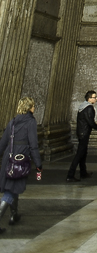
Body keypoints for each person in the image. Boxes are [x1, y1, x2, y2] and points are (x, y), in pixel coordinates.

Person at [0, 96, 42, 232]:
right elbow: (33, 145)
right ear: (30, 108)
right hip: (20, 159)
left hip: (8, 158)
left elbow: (3, 142)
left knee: (13, 187)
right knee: (11, 190)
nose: (34, 108)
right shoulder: (31, 122)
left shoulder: (12, 121)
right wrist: (38, 163)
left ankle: (14, 214)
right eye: (33, 106)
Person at [66, 90, 97, 182]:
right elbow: (90, 121)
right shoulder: (89, 108)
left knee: (83, 153)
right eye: (94, 97)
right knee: (80, 154)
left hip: (81, 132)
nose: (96, 99)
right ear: (89, 98)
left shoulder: (82, 107)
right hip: (84, 133)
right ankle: (70, 175)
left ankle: (83, 172)